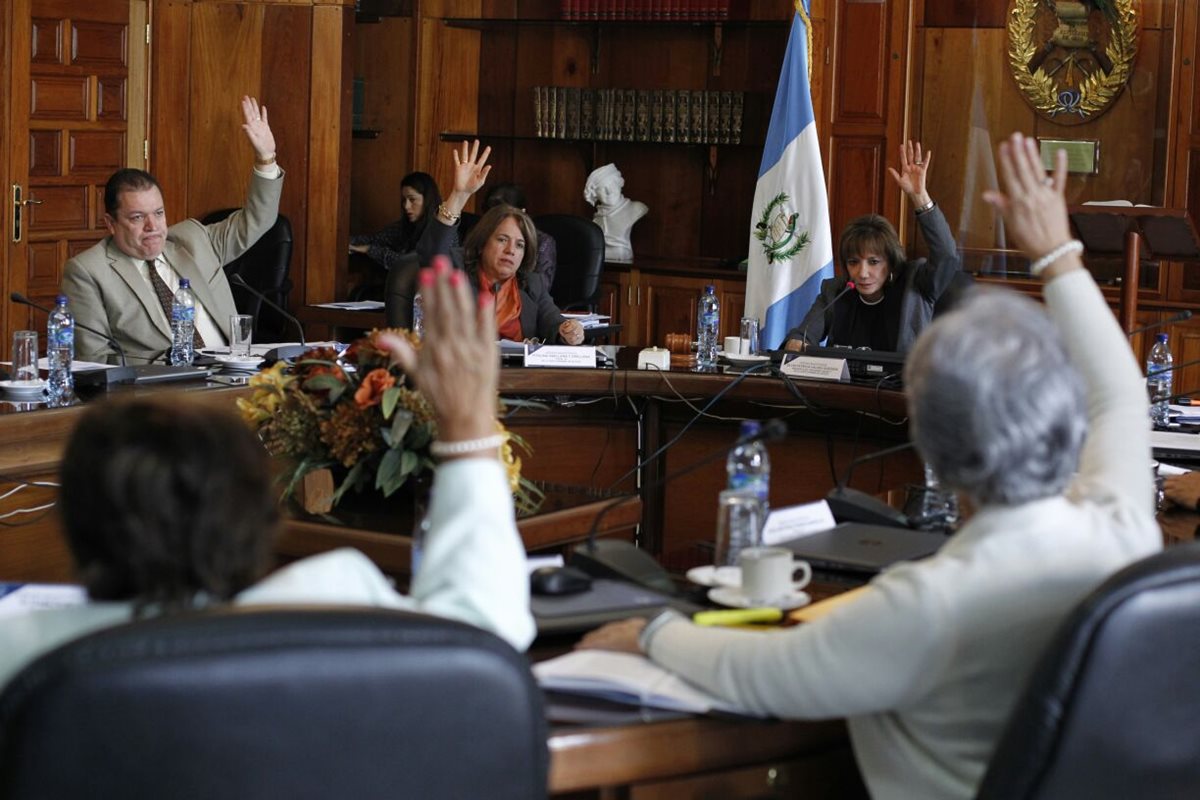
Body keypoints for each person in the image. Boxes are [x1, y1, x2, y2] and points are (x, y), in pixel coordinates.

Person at [578, 132, 1161, 800]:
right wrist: (1058, 255)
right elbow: (1120, 396)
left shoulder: (929, 605)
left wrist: (653, 631)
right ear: (1065, 418)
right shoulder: (1123, 527)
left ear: (931, 450)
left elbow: (766, 669)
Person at [0, 256, 535, 689]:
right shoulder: (340, 603)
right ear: (260, 516)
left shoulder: (22, 650)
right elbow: (483, 636)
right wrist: (466, 427)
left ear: (73, 527)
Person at [61, 96, 281, 364]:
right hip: (163, 392)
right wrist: (169, 368)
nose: (153, 227)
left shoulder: (194, 239)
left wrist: (266, 158)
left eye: (159, 213)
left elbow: (259, 219)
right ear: (110, 223)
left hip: (232, 374)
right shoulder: (88, 271)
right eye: (138, 217)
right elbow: (94, 358)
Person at [784, 141, 961, 353]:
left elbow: (947, 256)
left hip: (901, 385)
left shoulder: (916, 284)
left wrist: (919, 197)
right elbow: (802, 335)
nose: (863, 273)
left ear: (892, 262)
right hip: (845, 386)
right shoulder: (835, 292)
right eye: (853, 262)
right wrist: (796, 343)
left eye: (874, 262)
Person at [454, 204, 584, 345]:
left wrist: (569, 330)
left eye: (519, 245)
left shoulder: (532, 284)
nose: (511, 250)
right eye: (502, 239)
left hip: (515, 366)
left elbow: (554, 323)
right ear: (482, 243)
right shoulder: (456, 272)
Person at [349, 171, 447, 271]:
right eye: (404, 200)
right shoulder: (406, 226)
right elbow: (375, 238)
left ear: (427, 200)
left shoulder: (441, 230)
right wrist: (346, 243)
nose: (406, 206)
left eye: (412, 200)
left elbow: (412, 265)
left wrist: (369, 249)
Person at [482, 182, 558, 289]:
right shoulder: (479, 233)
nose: (494, 217)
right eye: (489, 210)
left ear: (522, 212)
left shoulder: (542, 243)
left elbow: (539, 290)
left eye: (519, 245)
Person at [584, 163, 647, 264]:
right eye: (602, 188)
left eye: (612, 184)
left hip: (622, 257)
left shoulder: (636, 208)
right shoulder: (597, 219)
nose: (609, 191)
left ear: (619, 183)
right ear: (595, 194)